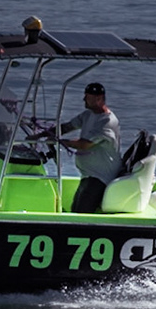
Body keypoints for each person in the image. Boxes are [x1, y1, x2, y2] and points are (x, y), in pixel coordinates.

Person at [57, 82, 121, 213]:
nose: (83, 100)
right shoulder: (88, 115)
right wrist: (41, 134)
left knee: (81, 212)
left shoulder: (107, 121)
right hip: (88, 175)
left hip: (101, 177)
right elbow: (67, 127)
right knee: (75, 209)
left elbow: (84, 145)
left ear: (99, 99)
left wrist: (61, 141)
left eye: (87, 97)